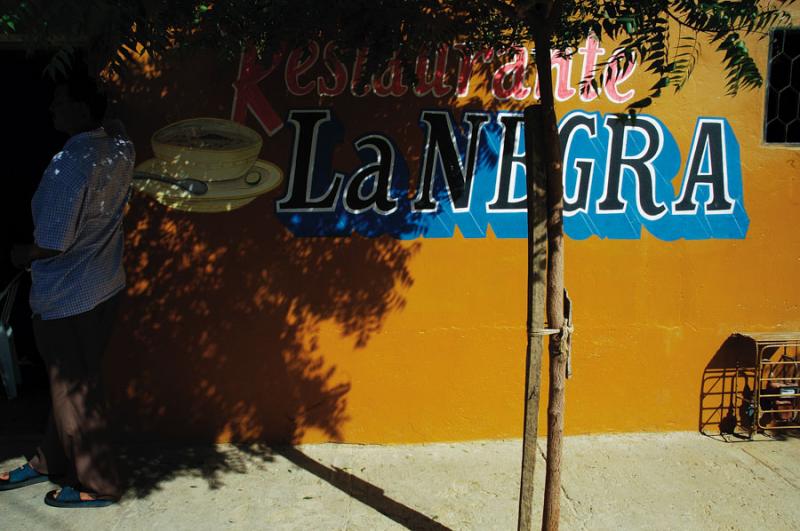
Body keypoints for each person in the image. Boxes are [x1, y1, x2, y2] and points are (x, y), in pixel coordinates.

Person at [0, 70, 135, 508]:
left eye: (59, 102)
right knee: (75, 388)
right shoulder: (120, 148)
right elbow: (116, 126)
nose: (51, 109)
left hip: (67, 299)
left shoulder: (69, 165)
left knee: (74, 393)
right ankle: (45, 460)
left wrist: (19, 253)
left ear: (79, 109)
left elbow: (52, 241)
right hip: (104, 286)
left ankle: (100, 483)